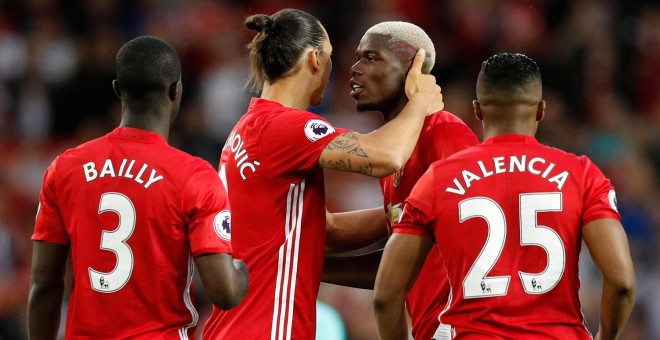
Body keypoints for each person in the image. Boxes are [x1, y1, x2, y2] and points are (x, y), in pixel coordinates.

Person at [202, 8, 443, 340]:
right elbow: (385, 156)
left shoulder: (247, 129)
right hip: (270, 328)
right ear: (315, 58)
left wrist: (402, 215)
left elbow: (322, 231)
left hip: (236, 327)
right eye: (330, 57)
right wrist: (421, 100)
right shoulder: (286, 126)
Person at [373, 53, 636, 339]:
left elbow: (386, 296)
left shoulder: (438, 179)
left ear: (478, 110)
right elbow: (621, 281)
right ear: (541, 110)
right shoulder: (582, 174)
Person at [28, 36, 249, 339]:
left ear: (118, 90)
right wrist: (244, 269)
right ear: (176, 90)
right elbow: (224, 292)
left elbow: (44, 285)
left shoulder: (65, 168)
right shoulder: (194, 175)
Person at [322, 21, 479, 340]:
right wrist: (307, 266)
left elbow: (470, 250)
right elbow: (401, 265)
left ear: (412, 68)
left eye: (370, 58)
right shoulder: (393, 150)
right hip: (427, 327)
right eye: (356, 59)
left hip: (458, 327)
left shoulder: (446, 136)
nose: (354, 69)